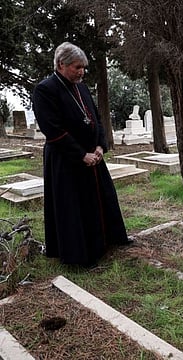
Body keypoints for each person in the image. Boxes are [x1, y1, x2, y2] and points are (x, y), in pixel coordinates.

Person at [32, 42, 131, 268]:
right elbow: (53, 129)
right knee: (73, 206)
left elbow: (95, 118)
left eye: (83, 68)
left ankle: (107, 241)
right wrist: (80, 155)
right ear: (61, 64)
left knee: (101, 199)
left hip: (93, 155)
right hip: (66, 159)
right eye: (77, 67)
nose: (82, 72)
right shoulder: (45, 90)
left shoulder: (82, 87)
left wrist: (99, 146)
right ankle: (80, 254)